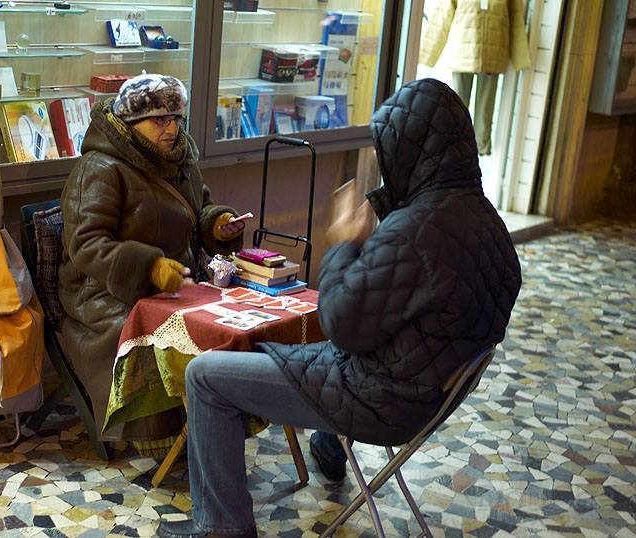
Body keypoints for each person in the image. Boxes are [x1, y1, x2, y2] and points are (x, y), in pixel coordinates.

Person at [155, 78, 522, 538]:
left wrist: (345, 243)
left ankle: (223, 529)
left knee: (205, 375)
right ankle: (329, 449)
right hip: (430, 396)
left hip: (377, 399)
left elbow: (338, 323)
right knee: (288, 351)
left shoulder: (414, 232)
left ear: (411, 154)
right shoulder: (488, 223)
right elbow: (422, 308)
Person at [58, 72, 246, 451]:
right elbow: (87, 244)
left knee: (228, 323)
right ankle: (163, 440)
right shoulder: (100, 169)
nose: (171, 129)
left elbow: (199, 208)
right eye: (160, 120)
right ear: (131, 121)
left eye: (176, 118)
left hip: (177, 283)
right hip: (105, 292)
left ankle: (212, 422)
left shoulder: (180, 159)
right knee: (159, 339)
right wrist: (150, 268)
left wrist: (218, 225)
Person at [418, 0, 531, 155]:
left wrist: (521, 58)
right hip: (462, 54)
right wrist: (426, 55)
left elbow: (516, 19)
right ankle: (451, 149)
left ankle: (479, 152)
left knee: (485, 114)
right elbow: (443, 15)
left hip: (493, 55)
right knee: (456, 108)